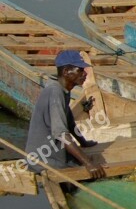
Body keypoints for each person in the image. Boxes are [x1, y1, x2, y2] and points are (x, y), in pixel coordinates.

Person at [25, 51, 105, 179]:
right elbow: (61, 134)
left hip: (54, 152)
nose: (85, 74)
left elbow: (68, 120)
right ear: (66, 71)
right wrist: (88, 163)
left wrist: (83, 142)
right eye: (80, 70)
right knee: (92, 174)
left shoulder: (63, 89)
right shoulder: (55, 92)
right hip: (43, 159)